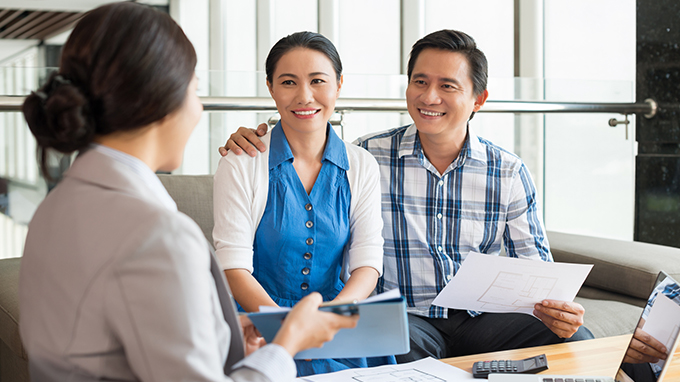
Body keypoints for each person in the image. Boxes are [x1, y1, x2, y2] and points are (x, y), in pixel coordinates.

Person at [18, 4, 358, 382]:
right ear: (159, 101)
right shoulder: (157, 236)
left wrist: (221, 335)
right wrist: (286, 344)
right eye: (195, 89)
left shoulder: (53, 208)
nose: (198, 110)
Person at [220, 29, 595, 361]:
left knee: (575, 338)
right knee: (388, 344)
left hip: (484, 322)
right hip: (408, 320)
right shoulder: (369, 157)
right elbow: (304, 145)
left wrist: (558, 310)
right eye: (420, 82)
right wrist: (248, 138)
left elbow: (539, 274)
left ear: (478, 99)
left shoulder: (508, 172)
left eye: (447, 85)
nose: (429, 97)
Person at [213, 31, 393, 376]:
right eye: (288, 82)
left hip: (336, 323)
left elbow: (368, 261)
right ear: (270, 87)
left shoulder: (362, 164)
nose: (304, 96)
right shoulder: (240, 161)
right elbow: (233, 266)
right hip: (258, 326)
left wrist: (330, 319)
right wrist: (291, 330)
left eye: (318, 81)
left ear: (339, 84)